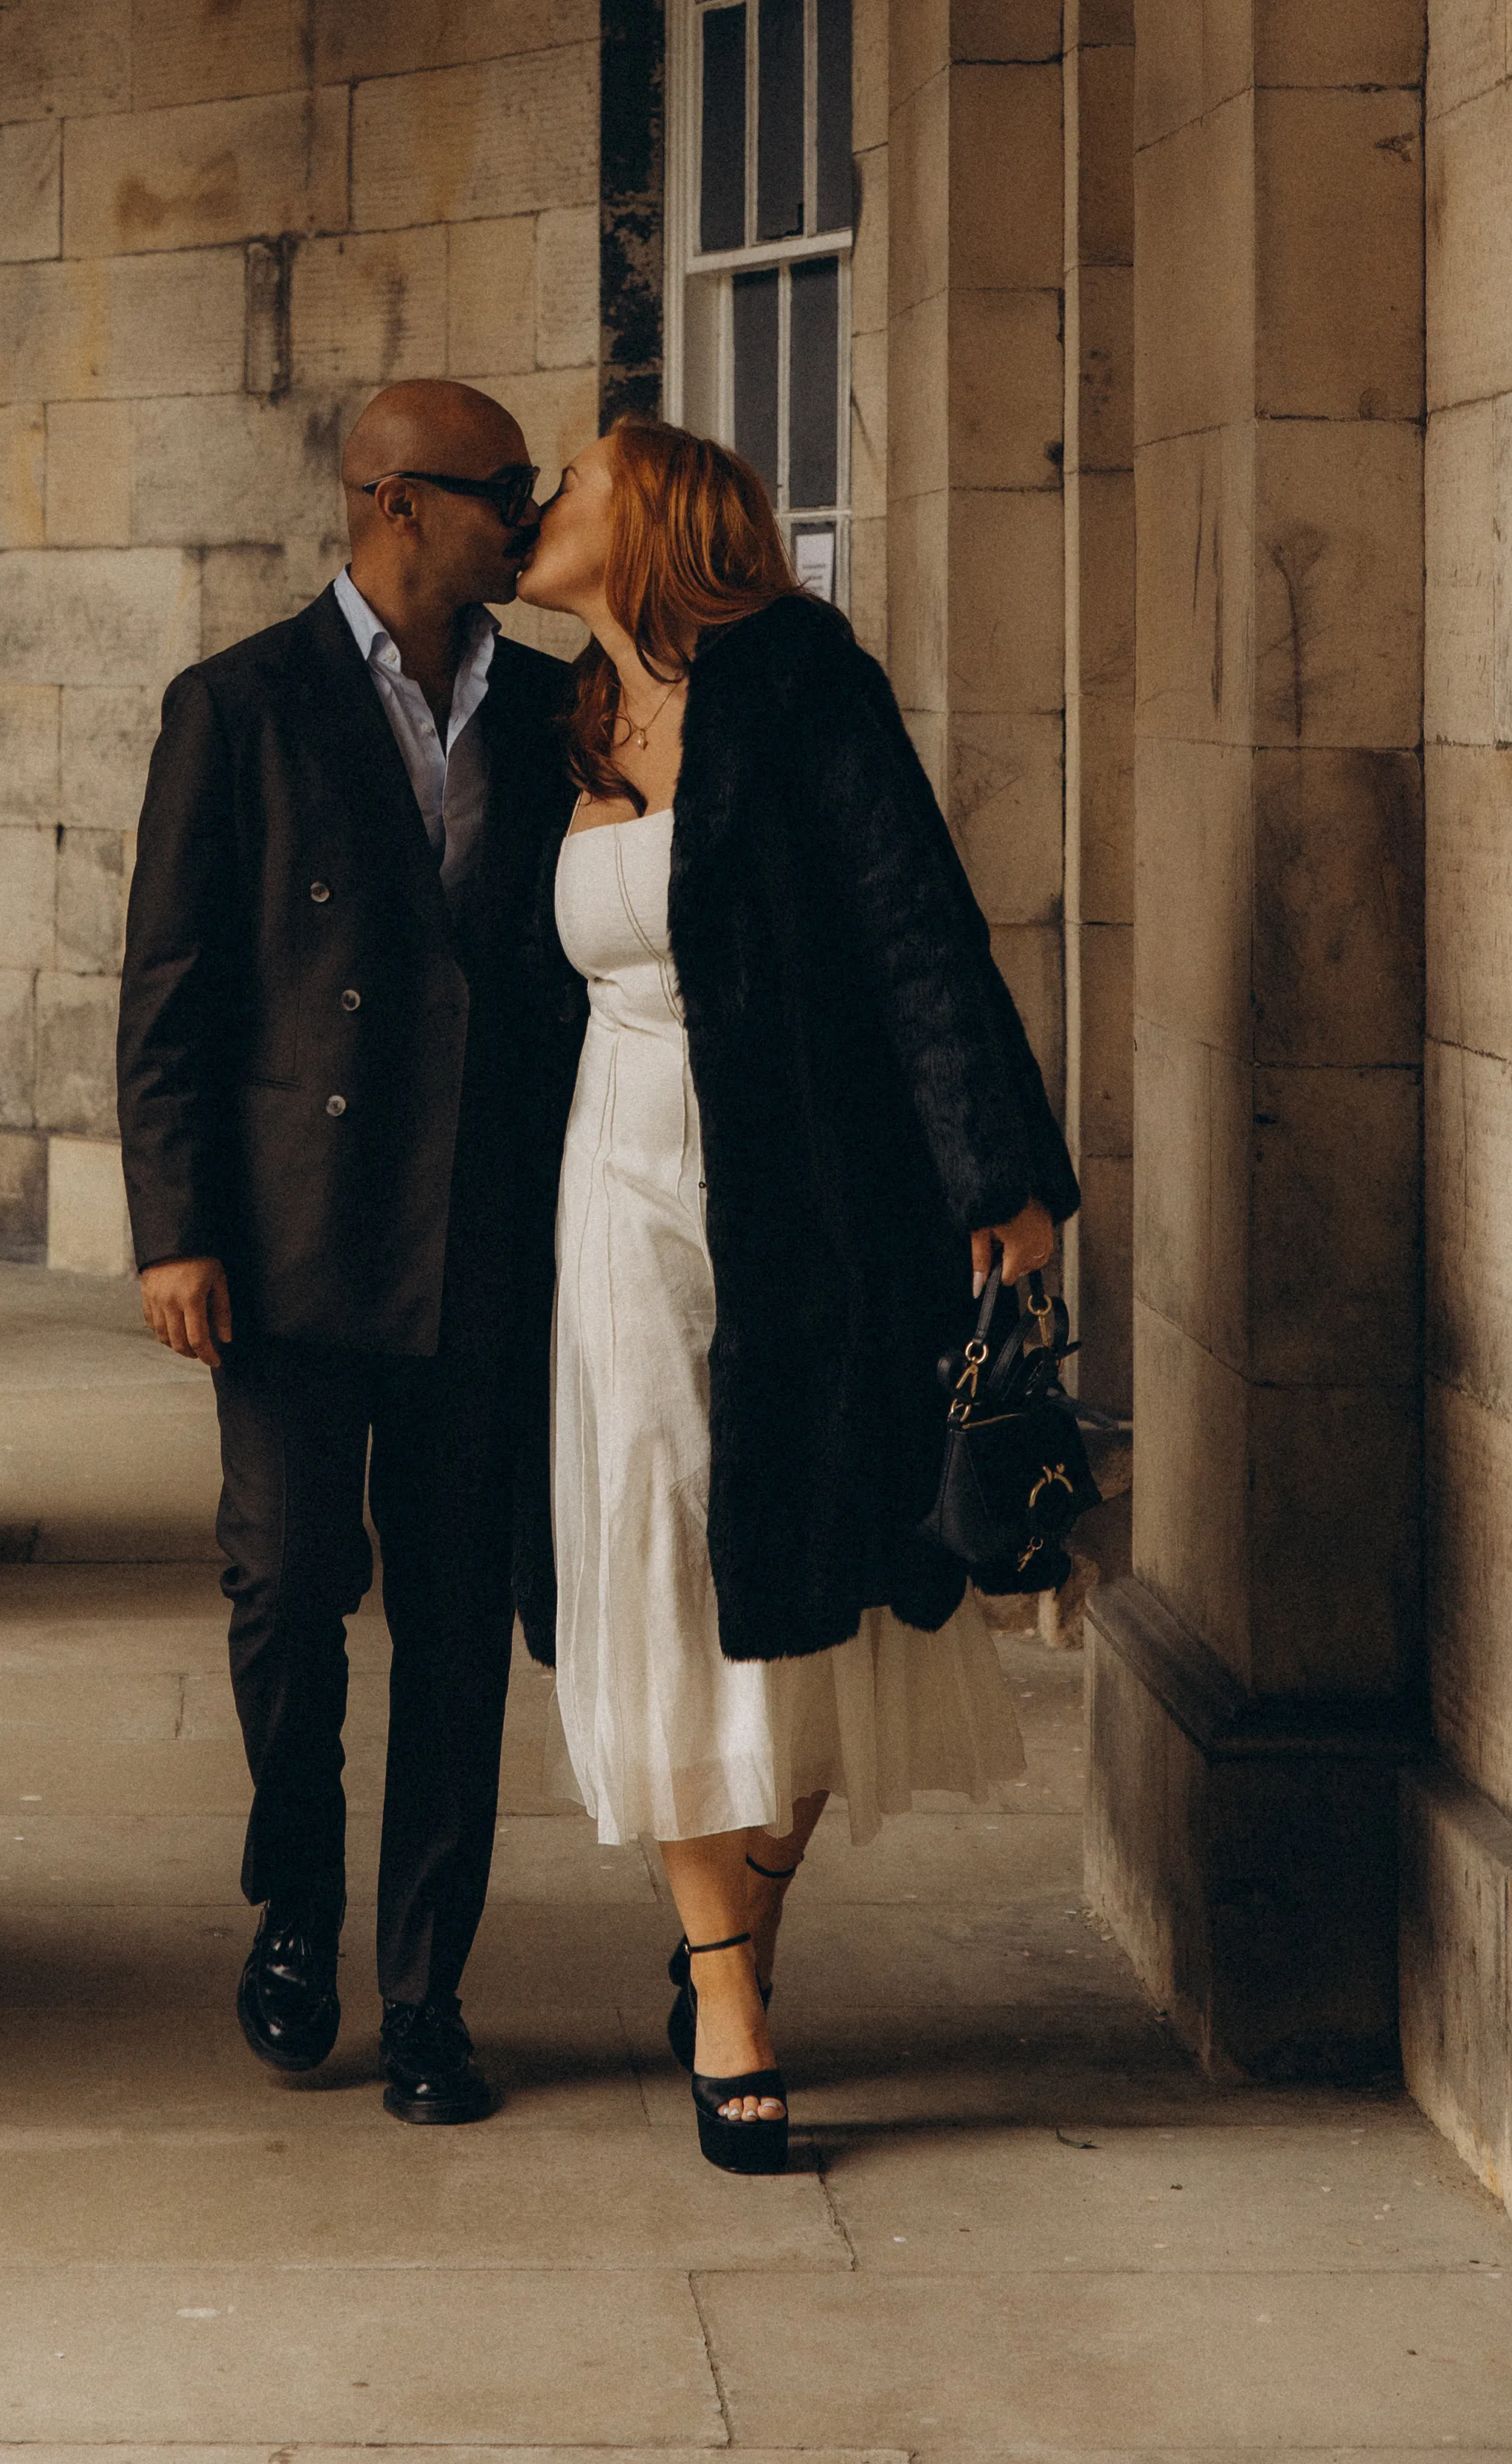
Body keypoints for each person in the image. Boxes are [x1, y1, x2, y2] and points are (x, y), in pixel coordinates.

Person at [516, 418, 1075, 2174]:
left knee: (817, 1566)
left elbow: (916, 921)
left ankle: (733, 1924)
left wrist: (996, 1170)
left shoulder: (799, 679)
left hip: (800, 1184)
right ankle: (727, 1995)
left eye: (576, 486)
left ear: (654, 518)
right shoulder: (573, 716)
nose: (544, 507)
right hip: (610, 1182)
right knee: (663, 1538)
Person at [117, 380, 577, 2127]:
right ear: (395, 503)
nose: (523, 523)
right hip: (292, 1247)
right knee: (288, 1589)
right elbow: (168, 998)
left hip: (482, 1235)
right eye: (497, 495)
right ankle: (295, 1913)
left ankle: (429, 1987)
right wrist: (175, 1234)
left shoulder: (552, 709)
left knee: (457, 1625)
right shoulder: (233, 706)